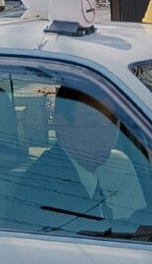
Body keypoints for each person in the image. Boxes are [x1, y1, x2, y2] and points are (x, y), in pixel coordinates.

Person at [19, 85, 124, 233]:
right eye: (93, 124)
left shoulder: (86, 170)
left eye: (111, 123)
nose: (106, 135)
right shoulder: (46, 187)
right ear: (62, 124)